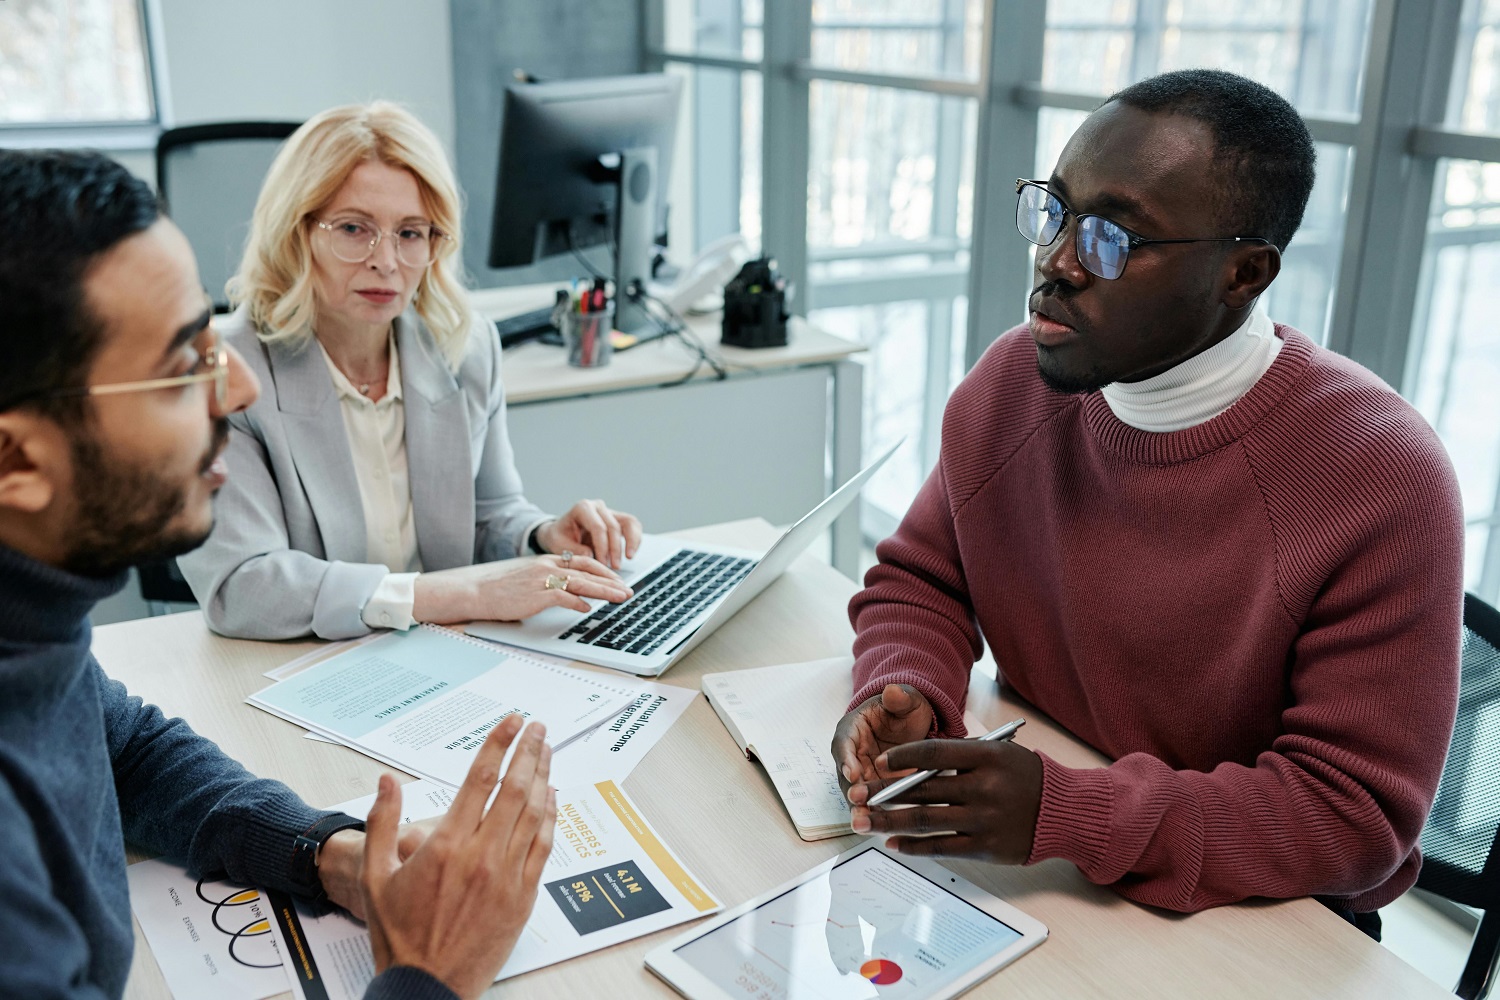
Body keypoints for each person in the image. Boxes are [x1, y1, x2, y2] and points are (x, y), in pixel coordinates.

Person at [830, 69, 1464, 932]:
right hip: (1051, 869)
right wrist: (901, 687)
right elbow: (924, 581)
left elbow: (1353, 817)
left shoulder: (1379, 472)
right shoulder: (1015, 381)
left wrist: (1069, 813)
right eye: (1053, 210)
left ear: (1243, 274)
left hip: (1260, 922)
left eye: (1111, 238)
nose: (1055, 261)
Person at [0, 147, 555, 1000]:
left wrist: (325, 854)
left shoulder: (30, 624)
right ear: (15, 458)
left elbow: (127, 752)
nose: (239, 389)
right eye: (183, 363)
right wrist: (430, 975)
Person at [177, 101, 642, 641]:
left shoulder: (465, 349)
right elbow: (242, 587)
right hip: (306, 665)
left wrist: (540, 536)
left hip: (450, 652)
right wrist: (459, 594)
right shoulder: (231, 371)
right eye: (355, 229)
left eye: (411, 233)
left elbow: (490, 512)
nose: (387, 261)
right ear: (296, 234)